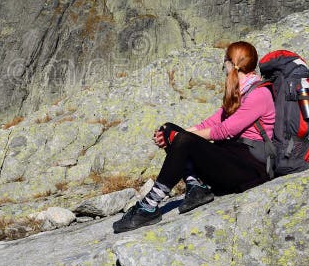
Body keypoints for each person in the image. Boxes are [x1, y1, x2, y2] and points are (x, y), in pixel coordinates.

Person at [113, 41, 276, 234]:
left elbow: (225, 131)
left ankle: (149, 205)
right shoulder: (239, 92)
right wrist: (171, 135)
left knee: (183, 139)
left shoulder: (259, 94)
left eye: (225, 60)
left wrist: (180, 138)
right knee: (168, 128)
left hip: (252, 169)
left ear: (230, 63)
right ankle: (195, 188)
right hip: (232, 160)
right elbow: (210, 123)